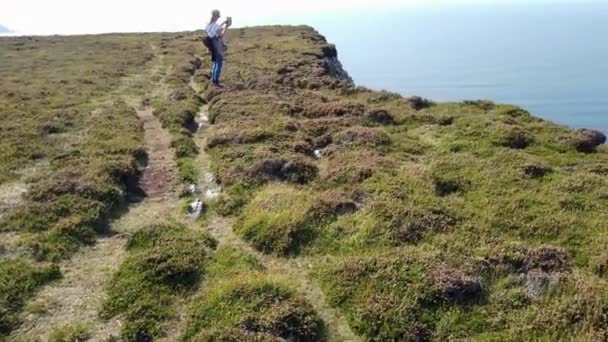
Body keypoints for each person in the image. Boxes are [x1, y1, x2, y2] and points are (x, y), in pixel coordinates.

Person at [206, 10, 229, 86]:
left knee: (215, 63)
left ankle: (213, 79)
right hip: (217, 46)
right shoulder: (216, 25)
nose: (218, 18)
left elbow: (212, 33)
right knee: (219, 64)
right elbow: (221, 35)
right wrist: (226, 27)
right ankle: (215, 81)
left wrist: (223, 23)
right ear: (216, 16)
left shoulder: (208, 25)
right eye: (218, 16)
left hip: (212, 46)